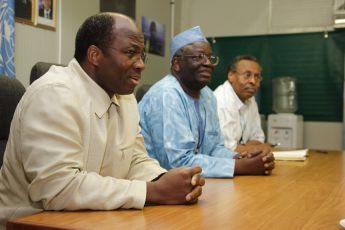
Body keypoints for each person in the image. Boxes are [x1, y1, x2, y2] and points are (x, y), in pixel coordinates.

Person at [0, 13, 205, 228]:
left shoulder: (124, 96)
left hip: (93, 217)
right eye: (130, 53)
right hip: (31, 222)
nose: (141, 65)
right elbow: (58, 189)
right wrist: (154, 191)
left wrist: (165, 180)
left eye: (142, 55)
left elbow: (134, 159)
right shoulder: (53, 94)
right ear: (95, 55)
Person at [139, 26, 275, 178]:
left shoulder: (208, 96)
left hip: (199, 183)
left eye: (210, 58)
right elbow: (176, 163)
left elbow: (215, 149)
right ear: (177, 64)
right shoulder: (166, 95)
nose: (208, 63)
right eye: (198, 57)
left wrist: (243, 158)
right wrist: (240, 166)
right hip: (156, 185)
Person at [214, 55, 273, 154]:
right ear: (231, 75)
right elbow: (227, 151)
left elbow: (258, 138)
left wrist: (243, 148)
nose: (253, 81)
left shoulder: (250, 100)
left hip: (241, 161)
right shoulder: (220, 102)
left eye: (257, 76)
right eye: (247, 75)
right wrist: (259, 148)